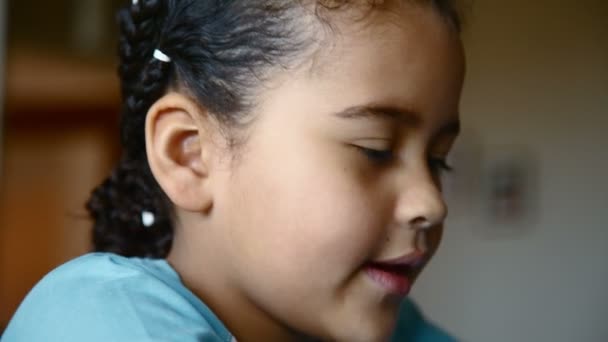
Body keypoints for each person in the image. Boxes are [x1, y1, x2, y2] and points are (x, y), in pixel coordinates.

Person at [1, 0, 465, 340]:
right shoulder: (99, 323)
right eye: (375, 150)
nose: (432, 202)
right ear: (191, 154)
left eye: (437, 159)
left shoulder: (410, 333)